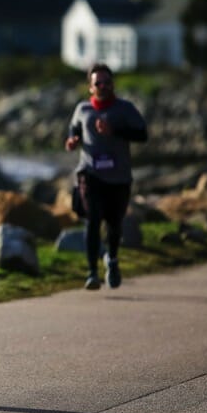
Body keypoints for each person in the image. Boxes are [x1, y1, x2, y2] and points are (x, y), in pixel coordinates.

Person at [65, 63, 148, 290]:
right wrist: (73, 139)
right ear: (90, 88)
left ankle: (111, 259)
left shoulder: (124, 109)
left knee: (114, 224)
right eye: (97, 83)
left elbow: (142, 134)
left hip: (119, 177)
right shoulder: (83, 110)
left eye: (107, 82)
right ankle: (92, 272)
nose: (103, 86)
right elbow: (74, 129)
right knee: (93, 220)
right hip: (90, 173)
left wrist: (115, 131)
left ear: (113, 85)